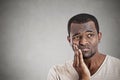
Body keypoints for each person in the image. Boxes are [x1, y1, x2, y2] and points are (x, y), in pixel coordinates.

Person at [47, 13, 120, 80]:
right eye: (77, 37)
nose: (83, 42)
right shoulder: (57, 73)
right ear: (69, 40)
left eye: (90, 35)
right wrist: (84, 77)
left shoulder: (117, 68)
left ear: (99, 37)